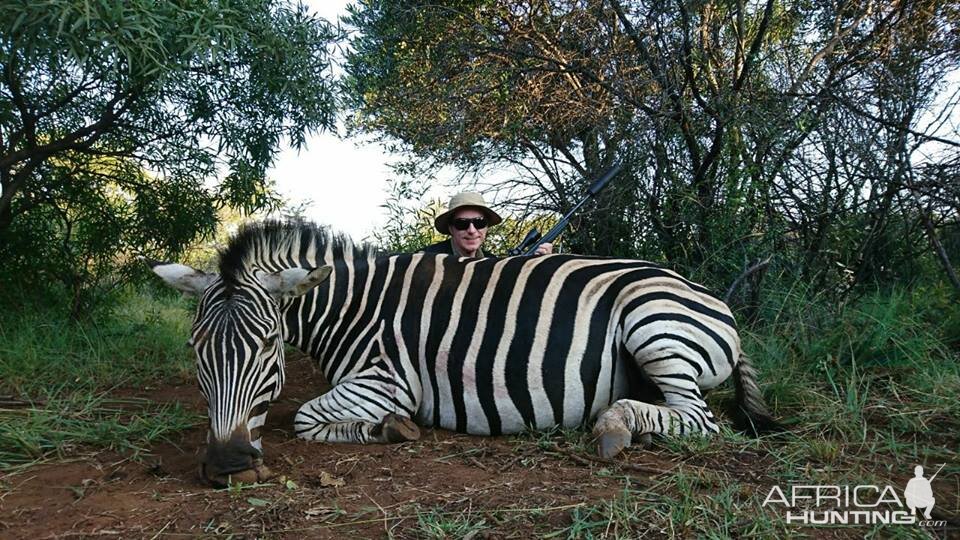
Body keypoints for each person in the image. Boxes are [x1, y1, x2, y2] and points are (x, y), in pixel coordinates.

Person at [422, 192, 552, 257]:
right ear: (451, 228)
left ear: (487, 226)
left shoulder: (491, 261)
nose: (472, 230)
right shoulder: (426, 259)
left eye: (479, 223)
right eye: (462, 224)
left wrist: (540, 265)